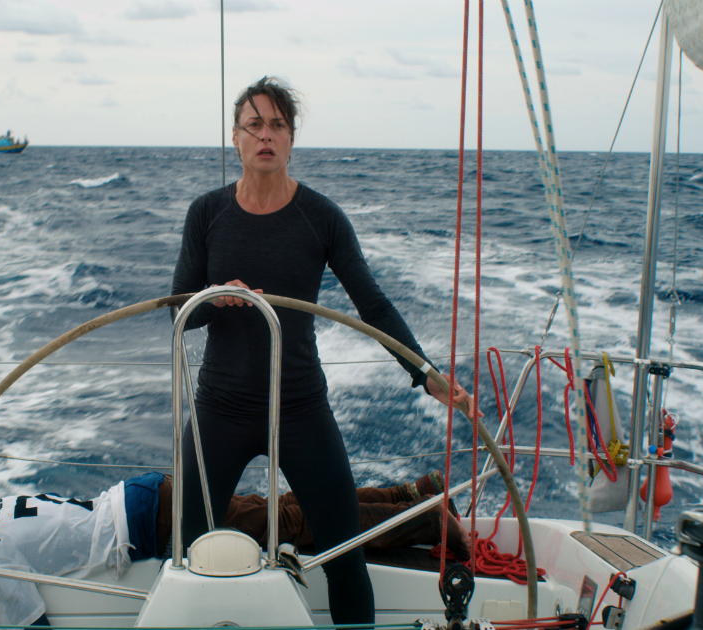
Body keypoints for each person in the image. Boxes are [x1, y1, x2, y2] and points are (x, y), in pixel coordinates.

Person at [170, 76, 481, 624]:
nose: (266, 135)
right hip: (220, 407)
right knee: (190, 555)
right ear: (236, 138)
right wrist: (220, 299)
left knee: (345, 557)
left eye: (278, 125)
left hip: (299, 407)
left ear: (291, 139)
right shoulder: (207, 214)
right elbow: (178, 311)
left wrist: (425, 373)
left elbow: (374, 306)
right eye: (255, 124)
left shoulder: (321, 217)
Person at [0, 471, 469, 627]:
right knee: (280, 510)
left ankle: (426, 522)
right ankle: (409, 494)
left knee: (290, 522)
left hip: (152, 521)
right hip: (142, 495)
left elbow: (30, 621)